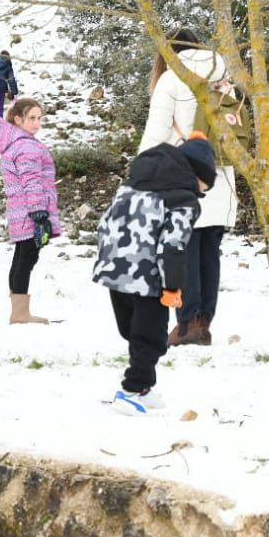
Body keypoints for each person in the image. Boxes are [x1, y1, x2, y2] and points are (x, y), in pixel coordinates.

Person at [93, 137, 217, 416]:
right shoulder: (183, 200)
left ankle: (145, 388)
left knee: (134, 333)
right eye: (203, 189)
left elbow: (105, 223)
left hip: (114, 269)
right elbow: (173, 247)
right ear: (197, 177)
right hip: (148, 277)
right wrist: (172, 287)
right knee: (151, 338)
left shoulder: (131, 185)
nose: (200, 195)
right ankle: (131, 390)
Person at [139, 28, 239, 345]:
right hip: (221, 177)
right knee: (210, 252)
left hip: (184, 180)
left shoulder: (171, 79)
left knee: (181, 252)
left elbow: (155, 135)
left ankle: (186, 324)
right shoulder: (222, 79)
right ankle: (203, 322)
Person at [0, 98, 61, 324]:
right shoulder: (27, 146)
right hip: (32, 211)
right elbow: (32, 181)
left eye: (40, 118)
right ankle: (20, 313)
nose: (37, 123)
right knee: (27, 257)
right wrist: (40, 214)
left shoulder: (15, 144)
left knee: (22, 256)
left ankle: (17, 310)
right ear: (18, 119)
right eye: (32, 118)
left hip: (20, 211)